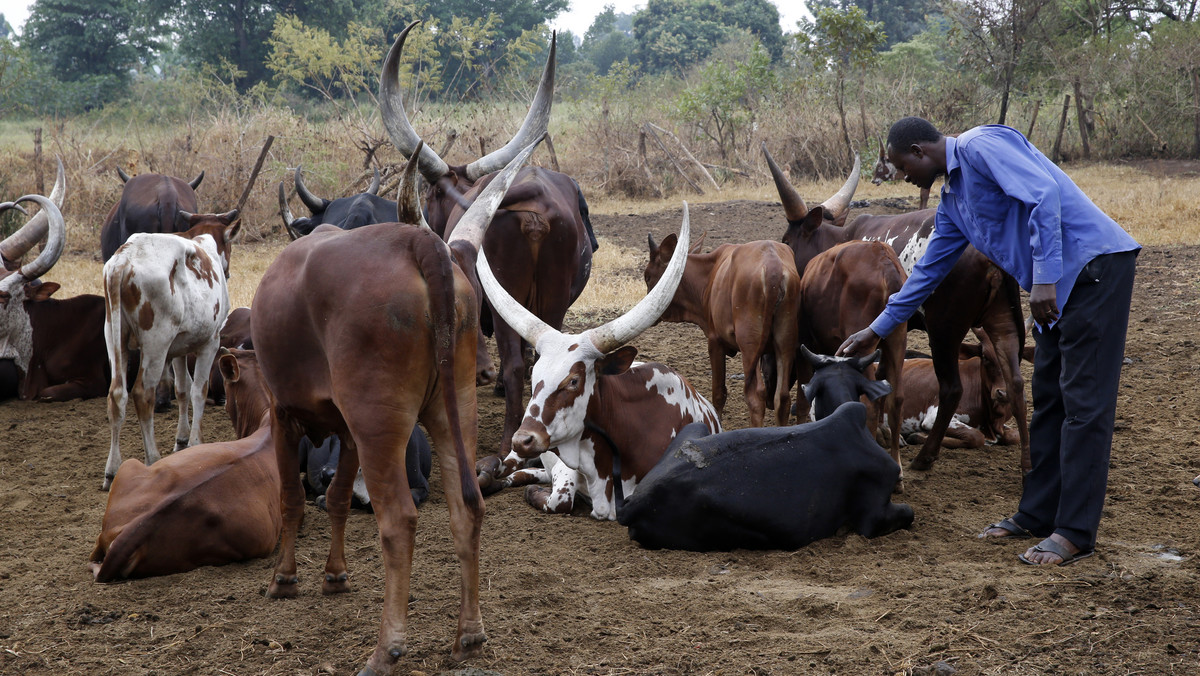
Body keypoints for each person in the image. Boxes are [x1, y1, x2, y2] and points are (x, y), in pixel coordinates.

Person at [837, 117, 1140, 566]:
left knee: (1085, 407)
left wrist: (1044, 278)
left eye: (903, 166)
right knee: (1052, 400)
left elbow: (1045, 194)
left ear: (920, 150)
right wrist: (876, 329)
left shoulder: (982, 145)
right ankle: (1036, 514)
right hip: (1062, 285)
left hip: (1094, 268)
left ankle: (1075, 532)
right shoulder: (954, 200)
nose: (903, 176)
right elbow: (927, 274)